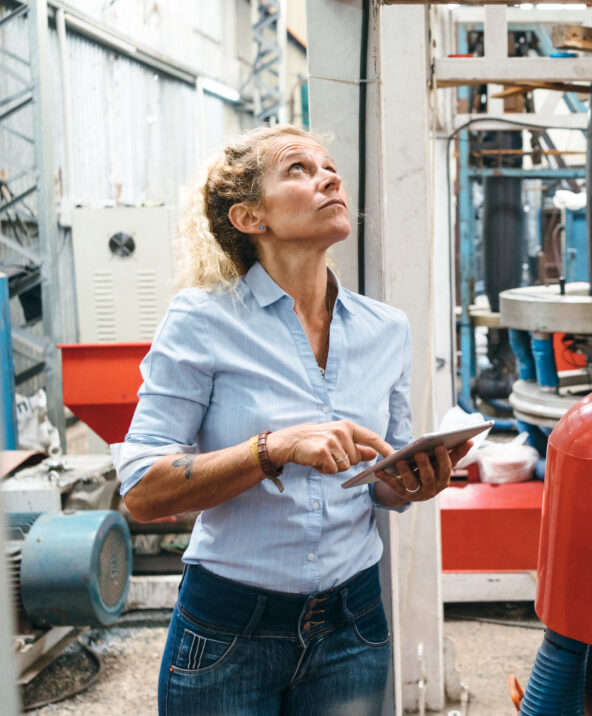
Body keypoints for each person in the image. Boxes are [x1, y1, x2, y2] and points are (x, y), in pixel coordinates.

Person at [112, 125, 469, 715]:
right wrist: (272, 447)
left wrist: (411, 482)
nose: (329, 177)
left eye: (329, 166)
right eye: (298, 169)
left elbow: (384, 475)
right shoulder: (202, 321)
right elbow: (143, 490)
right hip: (229, 631)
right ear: (252, 217)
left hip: (352, 623)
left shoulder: (387, 329)